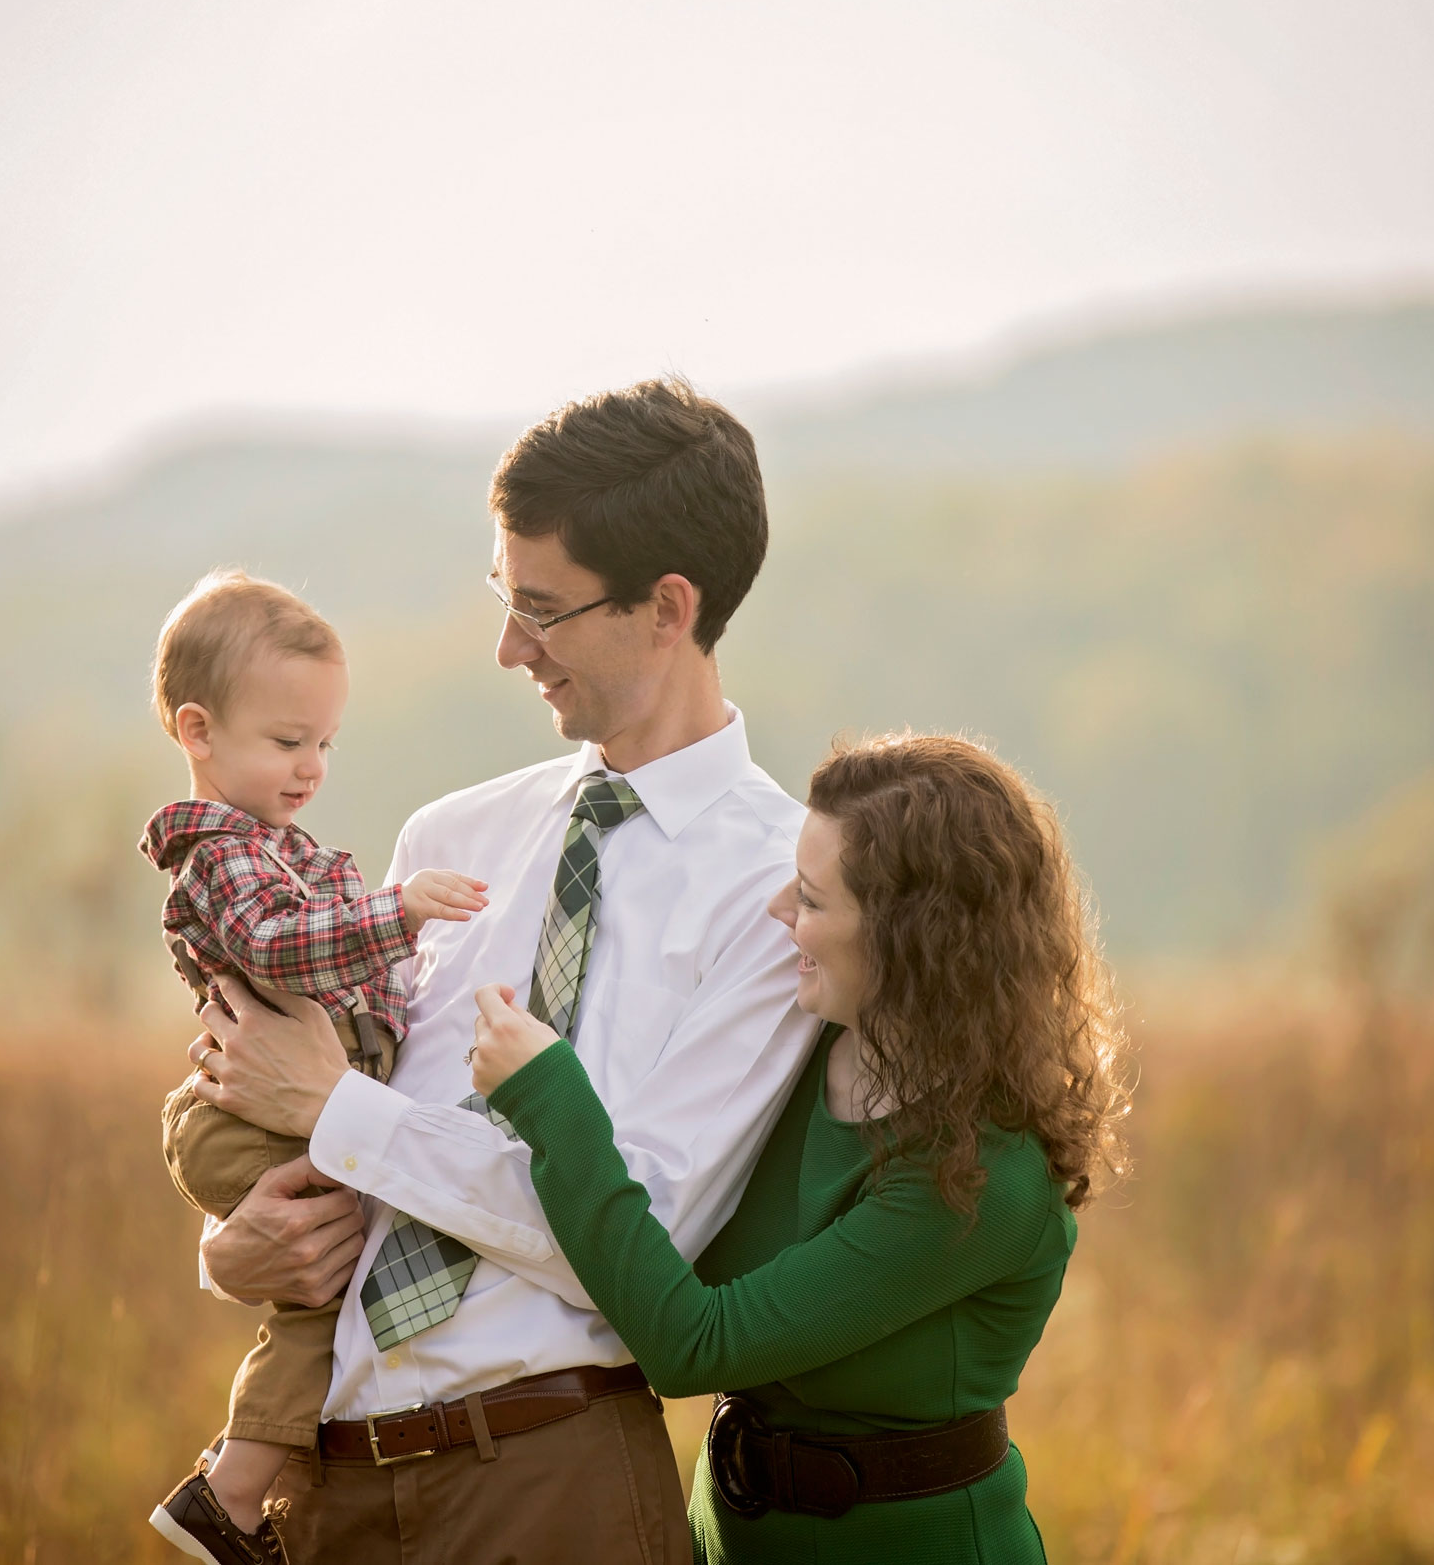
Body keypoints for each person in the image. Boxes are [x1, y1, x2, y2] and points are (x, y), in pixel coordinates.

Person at [185, 378, 821, 1564]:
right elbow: (315, 1112)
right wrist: (233, 1244)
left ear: (666, 607)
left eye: (541, 607)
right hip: (326, 1484)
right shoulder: (447, 838)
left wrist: (334, 1109)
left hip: (549, 1480)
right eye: (502, 594)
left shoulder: (779, 887)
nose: (507, 645)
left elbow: (637, 1234)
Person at [469, 733, 1131, 1563]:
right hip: (729, 1531)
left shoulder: (983, 1176)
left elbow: (693, 1344)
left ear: (907, 939)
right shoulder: (798, 1047)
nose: (779, 910)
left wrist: (547, 1096)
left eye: (812, 899)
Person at [136, 569, 490, 1564]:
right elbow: (280, 948)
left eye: (325, 742)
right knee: (329, 1284)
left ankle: (246, 1476)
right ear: (198, 730)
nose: (312, 765)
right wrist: (400, 908)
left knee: (330, 1278)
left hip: (273, 1102)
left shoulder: (281, 845)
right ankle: (233, 1494)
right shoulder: (224, 855)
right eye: (288, 742)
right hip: (246, 1117)